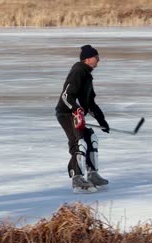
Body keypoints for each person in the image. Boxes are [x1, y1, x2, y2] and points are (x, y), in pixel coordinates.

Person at [55, 45, 110, 193]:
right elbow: (66, 96)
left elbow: (90, 103)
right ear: (87, 59)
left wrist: (102, 121)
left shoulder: (87, 75)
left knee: (91, 138)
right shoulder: (78, 71)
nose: (98, 60)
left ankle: (92, 174)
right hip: (66, 114)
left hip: (76, 115)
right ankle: (77, 178)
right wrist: (76, 109)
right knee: (79, 142)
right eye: (96, 57)